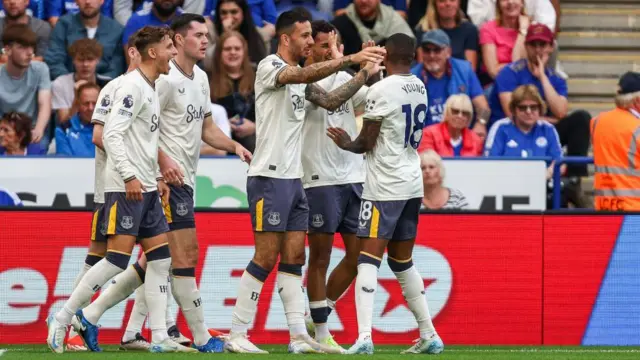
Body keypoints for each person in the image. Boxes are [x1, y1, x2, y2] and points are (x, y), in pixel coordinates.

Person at [224, 9, 385, 354]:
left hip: (293, 179)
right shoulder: (270, 67)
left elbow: (330, 100)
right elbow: (302, 74)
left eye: (313, 36)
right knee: (266, 257)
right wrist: (350, 58)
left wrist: (364, 71)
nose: (311, 42)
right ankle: (237, 332)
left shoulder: (302, 80)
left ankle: (299, 334)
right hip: (269, 176)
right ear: (286, 39)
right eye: (306, 36)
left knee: (295, 257)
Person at [46, 25, 188, 354]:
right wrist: (128, 176)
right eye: (169, 47)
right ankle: (65, 317)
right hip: (127, 190)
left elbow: (144, 142)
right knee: (115, 261)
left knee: (161, 260)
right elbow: (111, 135)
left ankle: (159, 336)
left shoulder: (153, 86)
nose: (173, 53)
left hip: (147, 188)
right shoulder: (130, 87)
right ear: (152, 52)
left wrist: (157, 177)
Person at [327, 32, 443, 355]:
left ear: (386, 54)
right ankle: (429, 333)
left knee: (367, 259)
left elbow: (366, 141)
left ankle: (364, 337)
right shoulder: (419, 86)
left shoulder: (380, 90)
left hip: (384, 186)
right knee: (402, 261)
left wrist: (345, 143)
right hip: (411, 183)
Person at [155, 13, 251, 352]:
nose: (205, 40)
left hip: (187, 179)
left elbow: (207, 129)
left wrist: (234, 145)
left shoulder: (201, 78)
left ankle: (94, 318)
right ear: (179, 40)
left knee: (156, 259)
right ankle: (197, 334)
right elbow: (145, 129)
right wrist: (161, 164)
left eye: (207, 34)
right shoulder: (164, 80)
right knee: (183, 253)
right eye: (198, 34)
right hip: (167, 180)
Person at [301, 20, 372, 352]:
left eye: (334, 45)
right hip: (320, 179)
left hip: (353, 177)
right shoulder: (299, 79)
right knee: (320, 257)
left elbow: (369, 105)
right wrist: (362, 72)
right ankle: (321, 333)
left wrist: (375, 71)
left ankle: (317, 313)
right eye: (324, 46)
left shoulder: (347, 77)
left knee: (361, 257)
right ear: (310, 47)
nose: (331, 51)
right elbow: (329, 101)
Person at [489, 23, 590, 192]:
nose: (538, 50)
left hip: (543, 131)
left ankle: (573, 180)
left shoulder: (556, 78)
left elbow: (561, 111)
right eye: (533, 45)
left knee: (581, 119)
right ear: (526, 46)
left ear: (551, 47)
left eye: (542, 45)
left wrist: (542, 76)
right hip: (510, 130)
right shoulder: (509, 72)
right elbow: (514, 113)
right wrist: (549, 119)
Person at [410, 29, 489, 138]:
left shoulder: (464, 70)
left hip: (460, 137)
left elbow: (483, 107)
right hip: (426, 139)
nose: (431, 55)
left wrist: (481, 123)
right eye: (427, 50)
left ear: (448, 52)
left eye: (437, 50)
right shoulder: (411, 77)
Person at [485, 84, 562, 181]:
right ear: (514, 109)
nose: (528, 111)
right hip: (505, 185)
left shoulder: (548, 129)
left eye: (533, 107)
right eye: (523, 107)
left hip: (542, 186)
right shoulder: (500, 127)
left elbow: (559, 162)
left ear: (540, 108)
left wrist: (548, 173)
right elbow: (490, 163)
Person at [592, 72, 640, 211]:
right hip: (634, 211)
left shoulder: (596, 122)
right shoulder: (637, 128)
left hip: (603, 208)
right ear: (637, 101)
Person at [45, 0, 125, 80]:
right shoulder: (63, 25)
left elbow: (116, 67)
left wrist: (97, 84)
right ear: (76, 1)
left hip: (104, 87)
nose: (87, 2)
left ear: (102, 1)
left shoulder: (116, 30)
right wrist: (69, 82)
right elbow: (54, 60)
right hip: (67, 86)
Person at [0, 24, 51, 148]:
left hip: (30, 129)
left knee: (41, 144)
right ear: (7, 50)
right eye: (22, 47)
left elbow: (45, 103)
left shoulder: (40, 69)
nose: (30, 53)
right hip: (3, 130)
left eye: (31, 47)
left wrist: (39, 129)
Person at [210, 31, 257, 152]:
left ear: (244, 51)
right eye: (227, 49)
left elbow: (271, 113)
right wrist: (224, 124)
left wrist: (254, 127)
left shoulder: (258, 75)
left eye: (237, 48)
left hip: (254, 140)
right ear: (219, 53)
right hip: (219, 140)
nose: (233, 52)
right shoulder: (207, 77)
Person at [51, 38, 109, 125]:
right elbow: (64, 123)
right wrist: (77, 98)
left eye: (90, 59)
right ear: (73, 60)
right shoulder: (60, 84)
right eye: (81, 60)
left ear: (97, 60)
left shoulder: (108, 84)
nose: (85, 64)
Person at [414, 0, 479, 71]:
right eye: (442, 1)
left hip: (460, 79)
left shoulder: (470, 30)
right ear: (435, 4)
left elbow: (470, 70)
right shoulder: (423, 30)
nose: (448, 3)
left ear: (459, 2)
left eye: (452, 0)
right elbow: (423, 67)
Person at [419, 94, 483, 156]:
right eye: (455, 111)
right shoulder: (429, 134)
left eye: (465, 113)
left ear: (469, 117)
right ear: (447, 112)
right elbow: (427, 163)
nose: (460, 116)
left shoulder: (476, 140)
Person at [55, 82, 100, 156]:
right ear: (78, 104)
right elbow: (65, 164)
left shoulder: (110, 129)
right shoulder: (63, 130)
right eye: (86, 103)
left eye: (94, 103)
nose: (90, 108)